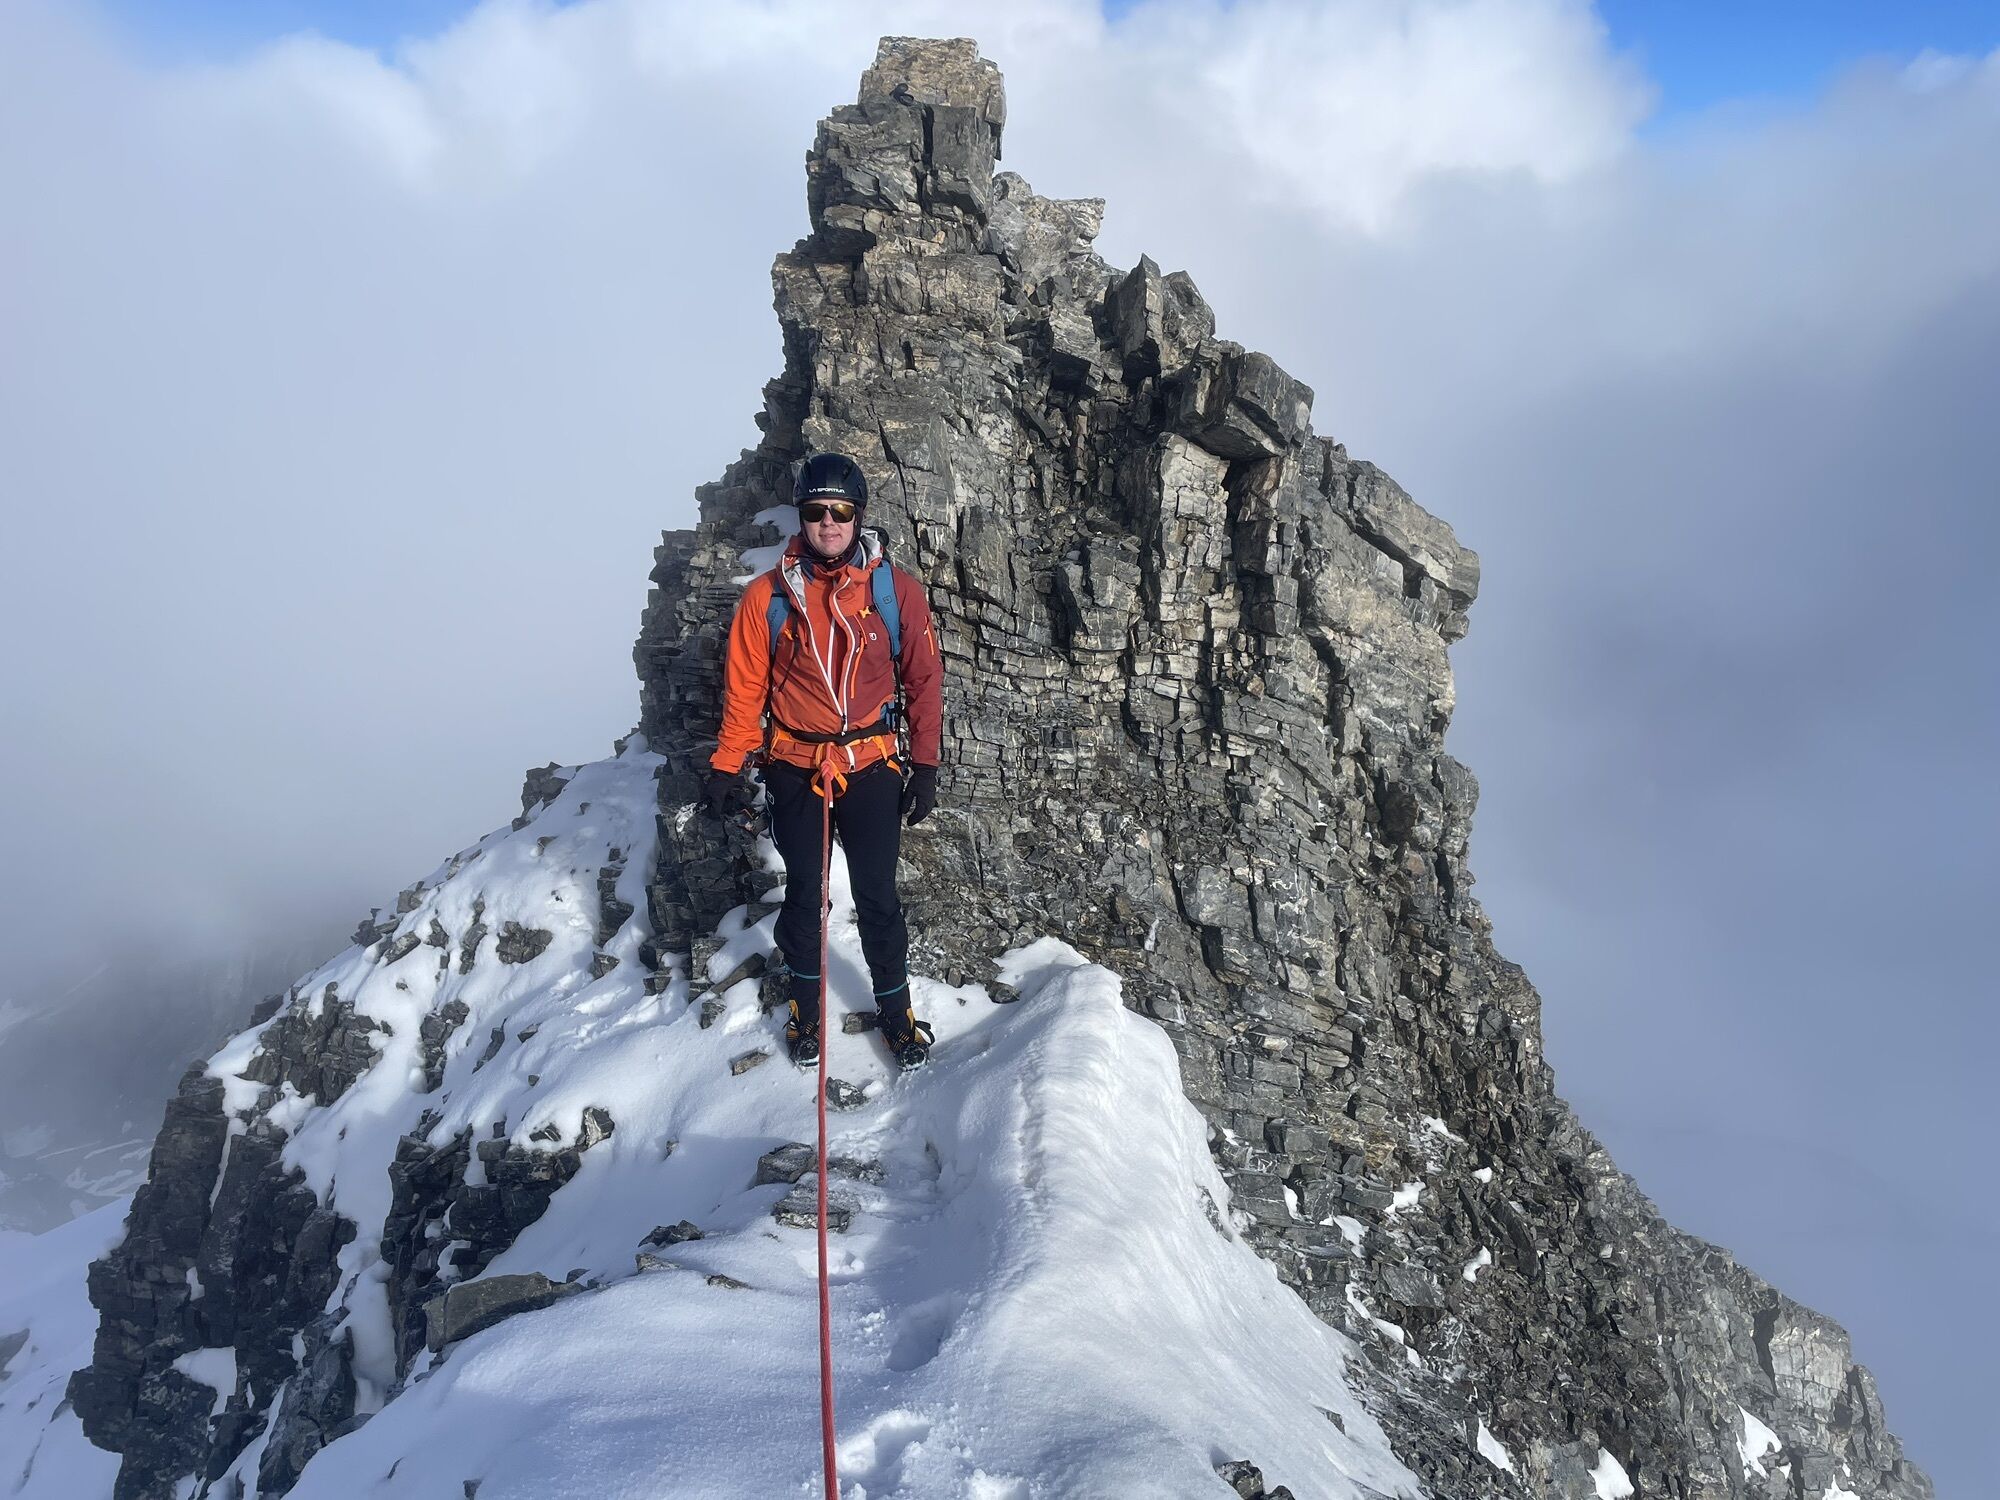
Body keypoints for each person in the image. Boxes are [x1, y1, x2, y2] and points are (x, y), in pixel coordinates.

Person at [703, 452, 945, 1069]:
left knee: (878, 896)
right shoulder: (768, 598)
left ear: (858, 515)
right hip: (796, 766)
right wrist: (728, 763)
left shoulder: (894, 592)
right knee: (807, 897)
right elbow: (745, 690)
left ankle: (897, 1015)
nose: (828, 523)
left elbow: (924, 680)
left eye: (840, 510)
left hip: (872, 766)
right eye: (816, 511)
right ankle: (806, 1014)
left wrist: (925, 765)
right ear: (802, 517)